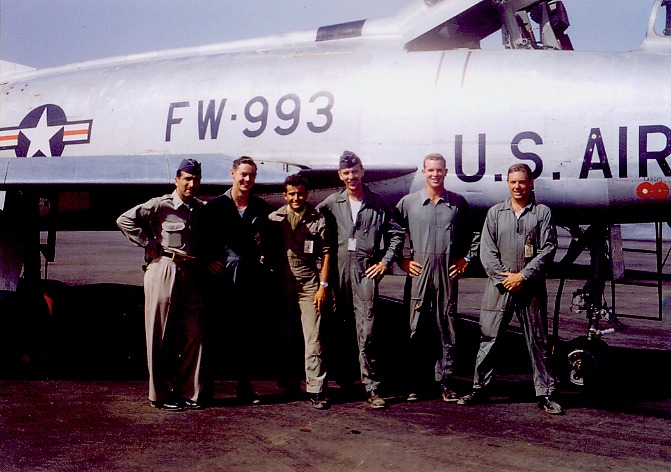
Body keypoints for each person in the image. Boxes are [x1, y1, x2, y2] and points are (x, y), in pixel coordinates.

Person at [457, 163, 562, 415]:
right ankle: (480, 388)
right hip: (500, 286)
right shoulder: (495, 213)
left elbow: (548, 248)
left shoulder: (542, 213)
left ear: (531, 183)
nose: (518, 186)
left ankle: (545, 393)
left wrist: (523, 276)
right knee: (489, 338)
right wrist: (505, 280)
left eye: (522, 181)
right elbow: (487, 250)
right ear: (507, 183)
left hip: (530, 287)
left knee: (538, 340)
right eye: (513, 182)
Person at [116, 158, 205, 412]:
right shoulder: (160, 205)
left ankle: (188, 391)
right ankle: (159, 393)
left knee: (194, 334)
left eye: (196, 179)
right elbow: (124, 220)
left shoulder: (198, 209)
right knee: (160, 333)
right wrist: (148, 243)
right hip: (165, 268)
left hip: (191, 272)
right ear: (177, 180)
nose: (191, 184)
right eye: (187, 179)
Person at [317, 151, 404, 409]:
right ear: (340, 175)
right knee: (339, 330)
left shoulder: (377, 203)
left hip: (365, 273)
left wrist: (385, 262)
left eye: (355, 172)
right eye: (346, 173)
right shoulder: (331, 203)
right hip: (337, 273)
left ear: (362, 171)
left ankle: (372, 387)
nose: (351, 177)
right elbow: (313, 229)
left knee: (367, 331)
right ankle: (344, 383)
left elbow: (396, 233)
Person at [395, 153, 479, 402]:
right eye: (430, 170)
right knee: (413, 327)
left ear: (445, 172)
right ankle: (413, 382)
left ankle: (445, 380)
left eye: (439, 170)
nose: (435, 174)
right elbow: (391, 232)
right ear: (423, 172)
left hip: (445, 272)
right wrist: (401, 260)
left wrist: (465, 260)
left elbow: (475, 234)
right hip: (419, 272)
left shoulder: (457, 203)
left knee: (447, 326)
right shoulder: (408, 203)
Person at [200, 156, 272, 404]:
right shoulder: (215, 207)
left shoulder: (260, 208)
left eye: (252, 175)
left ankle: (245, 386)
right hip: (220, 278)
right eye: (243, 174)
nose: (247, 179)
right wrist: (209, 260)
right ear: (232, 174)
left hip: (248, 277)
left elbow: (269, 240)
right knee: (215, 332)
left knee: (246, 333)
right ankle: (207, 387)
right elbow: (201, 239)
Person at [267, 174, 331, 409]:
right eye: (291, 194)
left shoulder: (318, 219)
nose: (296, 198)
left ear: (307, 194)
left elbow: (326, 253)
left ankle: (315, 388)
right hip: (282, 281)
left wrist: (323, 286)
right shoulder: (274, 219)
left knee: (313, 337)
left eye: (300, 193)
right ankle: (288, 382)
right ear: (285, 195)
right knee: (285, 335)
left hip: (308, 283)